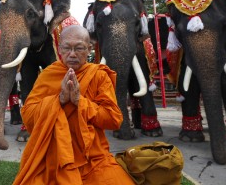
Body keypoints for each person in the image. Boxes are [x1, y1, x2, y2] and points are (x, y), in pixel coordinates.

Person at [13, 25, 135, 185]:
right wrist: (60, 99)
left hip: (93, 158)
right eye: (67, 48)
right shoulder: (48, 75)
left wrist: (79, 101)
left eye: (79, 48)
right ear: (59, 48)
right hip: (54, 157)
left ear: (89, 49)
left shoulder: (99, 76)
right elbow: (28, 117)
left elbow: (114, 120)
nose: (72, 54)